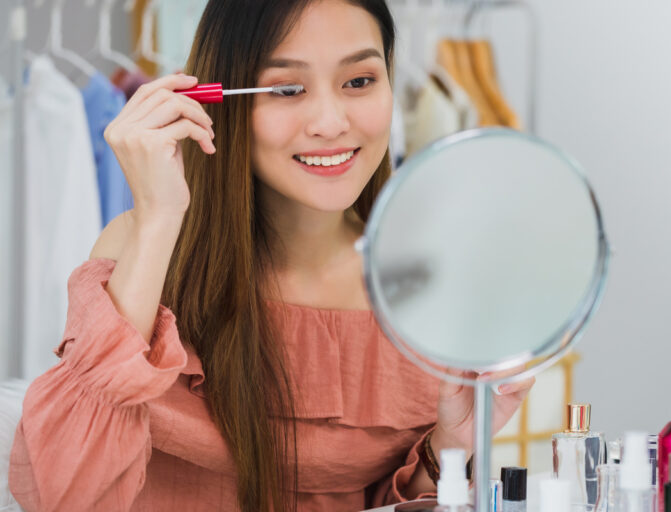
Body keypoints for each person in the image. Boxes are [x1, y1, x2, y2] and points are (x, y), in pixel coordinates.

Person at [8, 1, 534, 510]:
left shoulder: (423, 280)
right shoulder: (143, 247)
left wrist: (452, 445)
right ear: (219, 98)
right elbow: (66, 494)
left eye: (359, 82)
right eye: (286, 88)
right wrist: (159, 215)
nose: (331, 122)